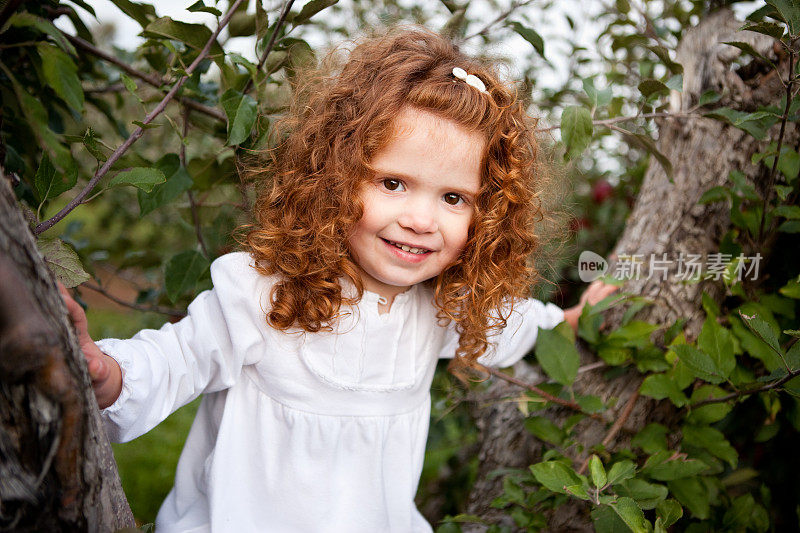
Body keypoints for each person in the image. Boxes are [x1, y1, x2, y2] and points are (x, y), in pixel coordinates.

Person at [59, 27, 617, 533]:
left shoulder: (440, 308)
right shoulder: (266, 293)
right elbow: (177, 356)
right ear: (335, 176)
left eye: (452, 198)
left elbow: (510, 326)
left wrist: (566, 322)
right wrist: (110, 374)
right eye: (394, 183)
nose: (420, 219)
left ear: (486, 216)